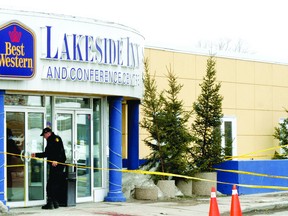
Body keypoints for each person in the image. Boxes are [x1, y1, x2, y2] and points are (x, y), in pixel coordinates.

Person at [32, 127, 66, 210]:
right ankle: (54, 202)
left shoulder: (55, 139)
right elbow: (48, 153)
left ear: (48, 133)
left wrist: (56, 160)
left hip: (57, 165)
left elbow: (60, 151)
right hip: (54, 165)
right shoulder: (50, 140)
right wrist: (36, 155)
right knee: (54, 183)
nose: (44, 137)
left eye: (44, 135)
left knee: (52, 184)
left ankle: (51, 203)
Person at [6, 128, 22, 200]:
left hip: (6, 164)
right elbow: (17, 152)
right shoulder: (10, 142)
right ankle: (8, 195)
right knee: (7, 179)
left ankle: (8, 195)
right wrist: (22, 155)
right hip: (6, 165)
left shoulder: (8, 142)